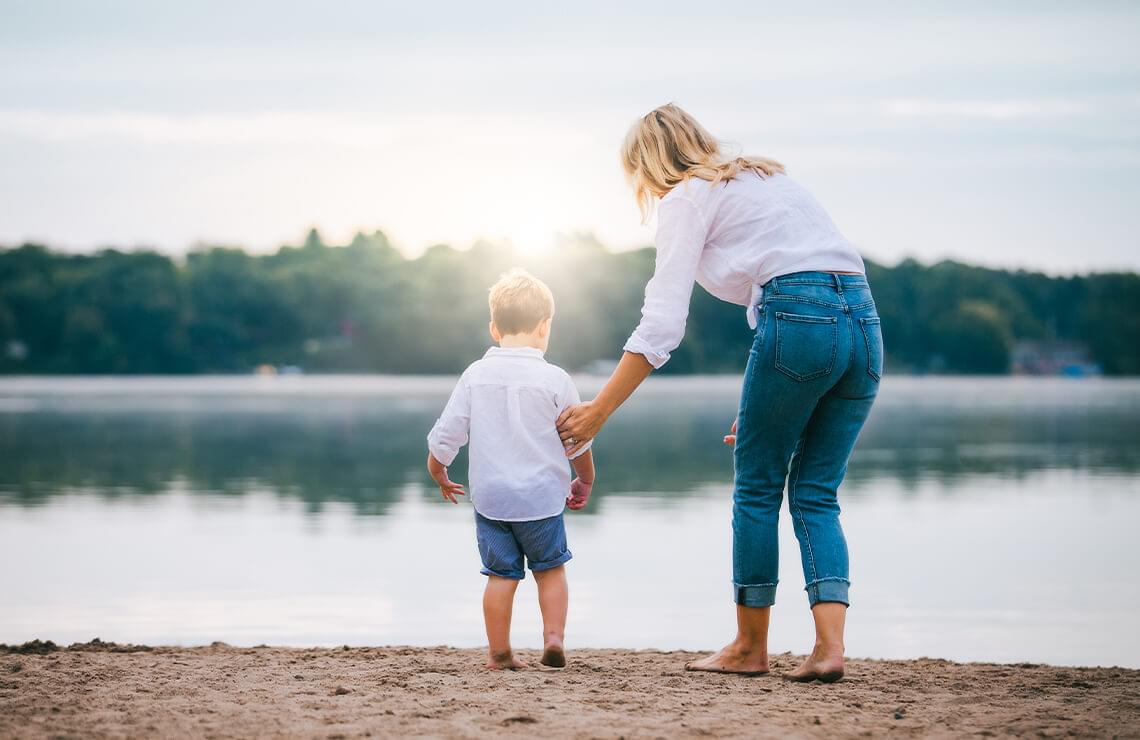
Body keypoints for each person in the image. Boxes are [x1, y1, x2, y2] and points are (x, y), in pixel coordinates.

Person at [557, 103, 882, 682]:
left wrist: (599, 410)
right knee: (815, 494)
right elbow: (807, 286)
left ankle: (749, 647)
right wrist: (762, 409)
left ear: (645, 164)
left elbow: (662, 326)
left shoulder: (685, 196)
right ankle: (829, 651)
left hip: (801, 324)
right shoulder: (768, 177)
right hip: (864, 322)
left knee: (756, 488)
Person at [427, 268, 596, 670]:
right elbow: (578, 438)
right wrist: (585, 479)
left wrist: (437, 469)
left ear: (493, 328)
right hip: (540, 500)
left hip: (493, 500)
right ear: (544, 327)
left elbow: (448, 432)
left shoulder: (475, 375)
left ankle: (499, 654)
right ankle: (553, 639)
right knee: (550, 569)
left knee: (500, 576)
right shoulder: (556, 379)